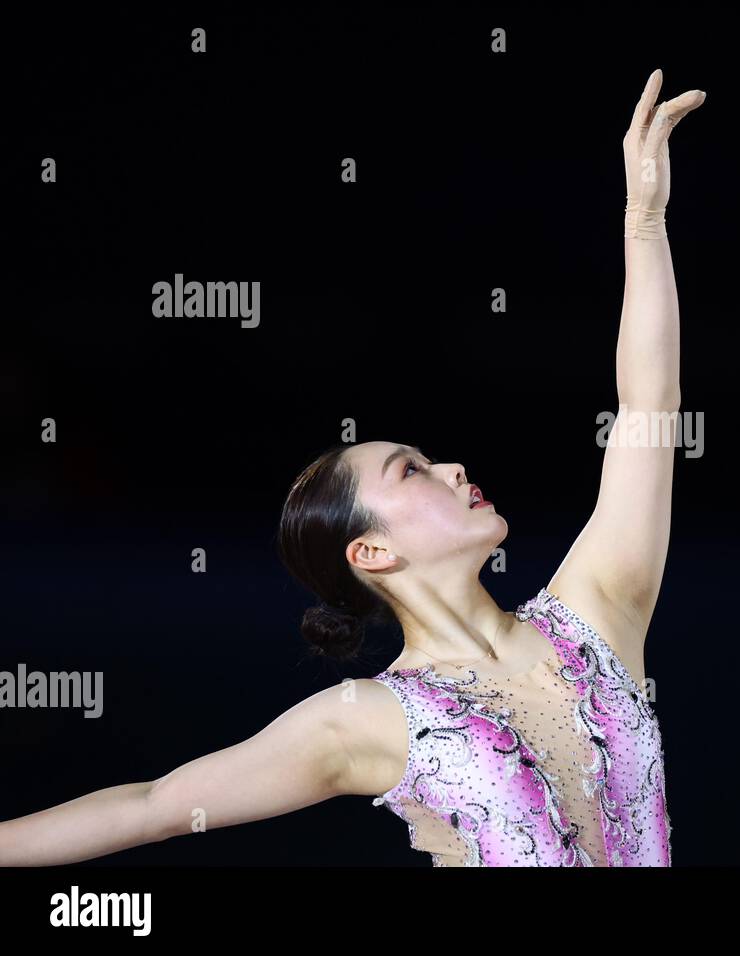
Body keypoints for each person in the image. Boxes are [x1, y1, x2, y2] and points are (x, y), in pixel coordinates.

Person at [0, 68, 704, 867]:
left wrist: (644, 221)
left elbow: (649, 406)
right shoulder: (362, 721)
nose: (453, 465)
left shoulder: (599, 610)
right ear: (370, 552)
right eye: (411, 471)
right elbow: (153, 806)